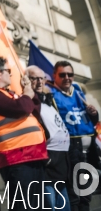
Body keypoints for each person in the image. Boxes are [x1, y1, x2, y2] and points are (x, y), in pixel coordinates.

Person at [0, 56, 48, 211]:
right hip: (16, 158)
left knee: (40, 206)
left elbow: (33, 110)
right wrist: (26, 95)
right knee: (23, 205)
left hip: (31, 155)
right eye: (8, 71)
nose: (11, 75)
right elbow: (21, 109)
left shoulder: (7, 94)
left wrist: (28, 92)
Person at [51, 60, 98, 211]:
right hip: (71, 150)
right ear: (54, 76)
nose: (67, 78)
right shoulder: (51, 94)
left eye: (70, 74)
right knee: (74, 194)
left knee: (86, 192)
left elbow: (90, 121)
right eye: (62, 74)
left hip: (88, 151)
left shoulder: (78, 91)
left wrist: (94, 114)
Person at [26, 65, 71, 211]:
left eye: (42, 78)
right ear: (26, 80)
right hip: (47, 167)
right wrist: (47, 159)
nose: (39, 82)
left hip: (61, 165)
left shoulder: (47, 99)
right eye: (34, 78)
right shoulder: (28, 102)